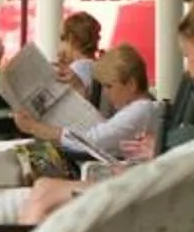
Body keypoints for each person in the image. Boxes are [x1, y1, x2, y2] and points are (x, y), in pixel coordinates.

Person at [20, 0, 194, 224]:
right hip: (158, 190)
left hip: (154, 202)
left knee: (44, 192)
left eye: (188, 56)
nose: (189, 69)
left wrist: (157, 155)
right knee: (44, 190)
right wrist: (158, 152)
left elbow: (190, 173)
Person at [13, 43, 159, 166]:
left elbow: (91, 141)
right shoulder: (142, 107)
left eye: (109, 86)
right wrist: (79, 88)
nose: (107, 94)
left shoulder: (140, 110)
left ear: (131, 84)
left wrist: (34, 128)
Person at [56, 11, 105, 105]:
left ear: (73, 39)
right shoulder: (97, 67)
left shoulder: (75, 70)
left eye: (62, 38)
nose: (60, 45)